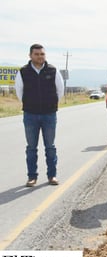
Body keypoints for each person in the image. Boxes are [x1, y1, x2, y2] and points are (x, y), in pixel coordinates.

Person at [14, 43, 64, 187]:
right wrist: (30, 105)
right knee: (31, 148)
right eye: (36, 54)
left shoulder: (53, 70)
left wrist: (51, 105)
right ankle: (32, 177)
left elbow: (59, 90)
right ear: (30, 56)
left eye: (42, 54)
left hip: (49, 115)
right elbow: (19, 92)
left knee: (50, 147)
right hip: (30, 115)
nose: (40, 56)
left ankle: (52, 176)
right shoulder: (23, 72)